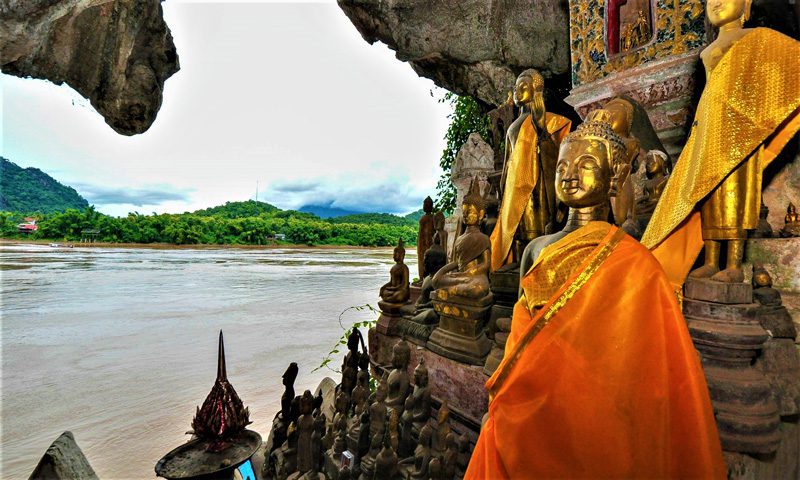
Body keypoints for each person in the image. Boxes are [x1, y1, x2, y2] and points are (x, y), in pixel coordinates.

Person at [466, 113, 725, 479]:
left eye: (586, 164)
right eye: (563, 165)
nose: (570, 174)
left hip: (599, 419)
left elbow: (645, 367)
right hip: (532, 411)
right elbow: (520, 347)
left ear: (615, 176)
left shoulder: (637, 264)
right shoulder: (536, 249)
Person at [641, 0, 800, 285]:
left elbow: (790, 57)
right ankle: (712, 260)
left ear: (747, 5)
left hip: (739, 131)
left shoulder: (756, 37)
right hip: (708, 129)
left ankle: (734, 263)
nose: (716, 2)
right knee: (708, 197)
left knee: (735, 195)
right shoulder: (707, 50)